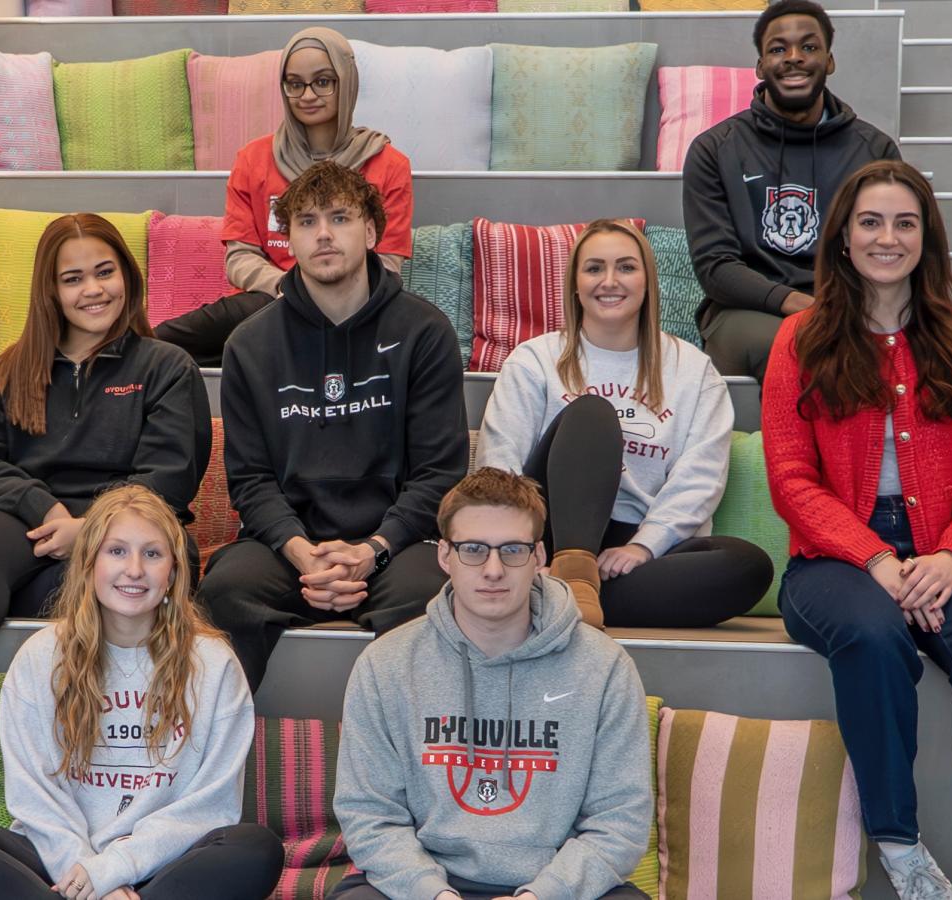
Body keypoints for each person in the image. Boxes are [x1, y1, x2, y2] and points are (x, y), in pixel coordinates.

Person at [762, 160, 952, 900]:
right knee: (875, 636)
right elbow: (791, 481)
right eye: (871, 222)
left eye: (905, 223)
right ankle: (899, 845)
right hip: (833, 558)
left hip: (947, 551)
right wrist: (879, 560)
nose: (888, 237)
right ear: (844, 238)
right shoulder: (800, 340)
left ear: (927, 237)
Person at [0, 214, 212, 759]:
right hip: (29, 527)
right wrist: (46, 507)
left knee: (80, 583)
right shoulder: (12, 371)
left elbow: (170, 477)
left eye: (104, 272)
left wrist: (89, 531)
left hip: (133, 534)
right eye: (73, 278)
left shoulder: (165, 367)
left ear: (127, 278)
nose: (93, 289)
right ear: (50, 290)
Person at [0, 484, 283, 900]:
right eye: (117, 551)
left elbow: (210, 808)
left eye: (152, 554)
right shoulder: (41, 657)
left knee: (256, 849)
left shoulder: (213, 664)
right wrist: (86, 872)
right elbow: (35, 798)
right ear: (88, 563)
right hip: (59, 860)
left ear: (174, 571)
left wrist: (114, 868)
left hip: (164, 863)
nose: (135, 569)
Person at [197, 160, 467, 693]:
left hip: (396, 546)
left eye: (340, 218)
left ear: (371, 232)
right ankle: (215, 764)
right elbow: (249, 480)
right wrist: (301, 551)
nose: (323, 234)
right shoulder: (250, 345)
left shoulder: (425, 332)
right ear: (288, 240)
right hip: (286, 549)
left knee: (434, 596)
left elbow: (439, 473)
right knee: (226, 589)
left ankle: (411, 764)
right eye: (306, 221)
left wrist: (372, 550)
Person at [331, 467, 652, 900]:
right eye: (474, 549)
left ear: (539, 556)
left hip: (551, 884)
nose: (494, 569)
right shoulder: (385, 664)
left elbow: (620, 822)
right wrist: (434, 895)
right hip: (427, 884)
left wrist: (541, 896)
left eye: (513, 549)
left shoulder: (604, 666)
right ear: (445, 556)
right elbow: (370, 816)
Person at [477, 218, 773, 630]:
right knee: (592, 414)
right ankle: (568, 575)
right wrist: (518, 549)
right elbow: (500, 461)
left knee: (747, 565)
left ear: (648, 281)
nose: (610, 281)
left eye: (626, 267)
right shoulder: (535, 359)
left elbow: (700, 476)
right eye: (594, 268)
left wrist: (643, 547)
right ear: (575, 284)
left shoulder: (692, 369)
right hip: (548, 536)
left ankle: (554, 596)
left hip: (633, 552)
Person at [153, 26, 414, 368]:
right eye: (295, 83)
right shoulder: (253, 158)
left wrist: (326, 291)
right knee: (162, 345)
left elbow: (388, 264)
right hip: (270, 301)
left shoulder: (388, 164)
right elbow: (240, 258)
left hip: (353, 303)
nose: (307, 95)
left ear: (346, 82)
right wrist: (289, 289)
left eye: (323, 81)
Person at [684, 0, 901, 383]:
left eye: (809, 47)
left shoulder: (873, 151)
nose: (794, 58)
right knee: (793, 345)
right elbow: (715, 267)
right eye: (778, 49)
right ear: (760, 66)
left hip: (844, 305)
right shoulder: (715, 149)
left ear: (829, 61)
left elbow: (887, 249)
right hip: (744, 311)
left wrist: (842, 308)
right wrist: (801, 305)